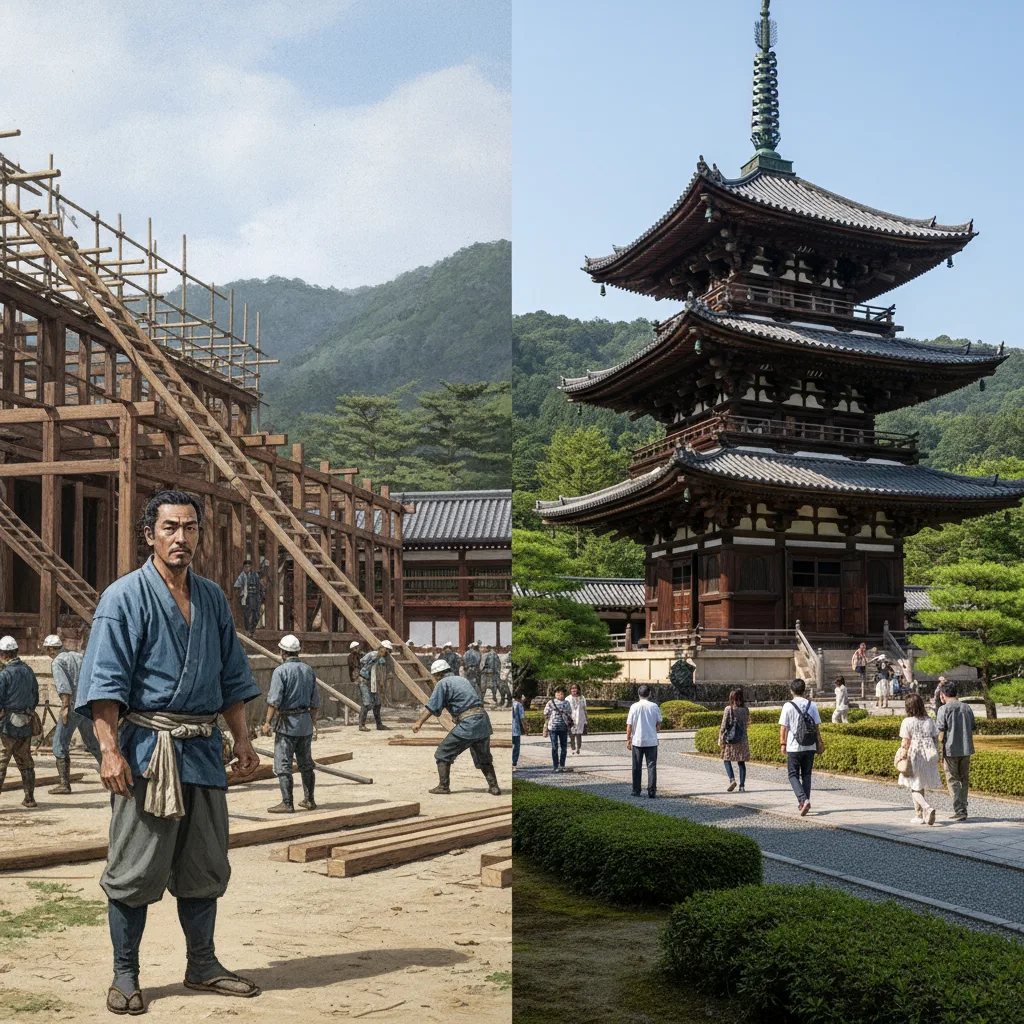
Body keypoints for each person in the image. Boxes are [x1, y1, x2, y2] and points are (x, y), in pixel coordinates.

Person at [76, 490, 262, 1014]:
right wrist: (109, 752)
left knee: (205, 866)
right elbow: (105, 684)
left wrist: (243, 739)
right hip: (145, 750)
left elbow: (231, 677)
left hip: (202, 749)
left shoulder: (212, 598)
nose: (181, 538)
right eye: (169, 528)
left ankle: (202, 964)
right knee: (135, 868)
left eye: (190, 528)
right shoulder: (122, 597)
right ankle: (125, 973)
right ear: (149, 535)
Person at [411, 659, 500, 795]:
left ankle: (443, 786)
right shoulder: (462, 680)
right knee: (484, 757)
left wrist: (419, 722)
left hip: (468, 724)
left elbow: (432, 707)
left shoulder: (443, 683)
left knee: (442, 753)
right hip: (483, 721)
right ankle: (494, 787)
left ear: (438, 675)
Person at [261, 634, 319, 814]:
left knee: (283, 764)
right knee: (306, 764)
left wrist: (267, 722)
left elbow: (274, 701)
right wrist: (313, 723)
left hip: (287, 725)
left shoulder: (281, 671)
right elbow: (315, 702)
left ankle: (287, 803)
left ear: (282, 652)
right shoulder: (308, 670)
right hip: (305, 724)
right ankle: (309, 800)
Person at [44, 632, 101, 795]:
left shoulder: (57, 662)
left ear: (50, 650)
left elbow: (64, 686)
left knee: (59, 743)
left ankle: (64, 784)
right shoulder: (77, 656)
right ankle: (106, 770)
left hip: (72, 706)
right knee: (91, 741)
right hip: (85, 705)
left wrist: (65, 707)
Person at [0, 635, 39, 808]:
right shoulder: (29, 671)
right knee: (26, 762)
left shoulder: (5, 674)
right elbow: (35, 696)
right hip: (26, 723)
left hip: (8, 725)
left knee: (1, 762)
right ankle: (29, 798)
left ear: (3, 654)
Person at [779, 678, 821, 816]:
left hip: (794, 746)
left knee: (792, 775)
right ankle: (804, 802)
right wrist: (819, 743)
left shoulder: (788, 706)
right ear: (804, 690)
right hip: (810, 745)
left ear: (792, 691)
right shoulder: (812, 705)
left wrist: (783, 744)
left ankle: (803, 799)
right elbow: (816, 727)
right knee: (807, 775)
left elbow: (784, 728)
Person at [898, 692, 940, 826]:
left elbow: (905, 742)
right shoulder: (929, 720)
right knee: (919, 785)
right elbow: (936, 737)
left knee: (913, 786)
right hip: (928, 755)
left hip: (914, 754)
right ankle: (918, 815)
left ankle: (927, 808)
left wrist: (902, 753)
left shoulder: (907, 721)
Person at [936, 681, 975, 821]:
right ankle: (963, 807)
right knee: (964, 779)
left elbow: (940, 733)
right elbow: (973, 727)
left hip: (950, 750)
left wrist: (939, 753)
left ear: (942, 695)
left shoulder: (943, 709)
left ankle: (959, 810)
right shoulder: (967, 707)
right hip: (966, 748)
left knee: (952, 780)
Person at [626, 685, 662, 798]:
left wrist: (628, 739)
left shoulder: (634, 707)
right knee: (651, 766)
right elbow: (659, 723)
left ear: (638, 694)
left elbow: (629, 725)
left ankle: (636, 790)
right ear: (649, 694)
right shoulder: (654, 706)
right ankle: (652, 791)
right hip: (651, 740)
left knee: (636, 766)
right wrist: (655, 728)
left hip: (638, 740)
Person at [718, 686, 750, 792]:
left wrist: (720, 739)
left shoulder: (729, 709)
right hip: (742, 739)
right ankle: (742, 786)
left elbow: (723, 726)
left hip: (731, 739)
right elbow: (746, 724)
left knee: (726, 759)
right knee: (741, 762)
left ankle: (732, 780)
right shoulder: (745, 710)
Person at [357, 641, 393, 731]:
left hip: (373, 682)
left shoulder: (382, 659)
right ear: (383, 649)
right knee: (367, 703)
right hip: (364, 680)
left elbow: (381, 672)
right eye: (387, 650)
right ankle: (361, 725)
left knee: (377, 703)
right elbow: (361, 661)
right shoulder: (372, 655)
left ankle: (379, 725)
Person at [232, 555, 265, 636]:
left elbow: (259, 584)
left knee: (256, 614)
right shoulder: (242, 575)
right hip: (245, 598)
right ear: (243, 567)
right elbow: (236, 585)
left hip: (254, 597)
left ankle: (252, 630)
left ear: (250, 567)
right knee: (247, 615)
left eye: (249, 567)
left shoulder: (255, 575)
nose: (247, 568)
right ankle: (248, 631)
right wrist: (240, 592)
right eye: (246, 567)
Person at [542, 686, 573, 772]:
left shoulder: (567, 703)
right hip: (553, 727)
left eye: (561, 693)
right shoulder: (550, 703)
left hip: (563, 727)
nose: (559, 695)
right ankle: (555, 766)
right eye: (557, 693)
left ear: (564, 694)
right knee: (554, 747)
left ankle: (562, 765)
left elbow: (569, 713)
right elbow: (545, 713)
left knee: (564, 747)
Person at [566, 683, 588, 755]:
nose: (574, 690)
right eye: (572, 688)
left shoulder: (582, 697)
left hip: (580, 718)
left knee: (579, 734)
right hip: (571, 718)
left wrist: (586, 719)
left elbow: (584, 708)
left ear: (578, 690)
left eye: (575, 688)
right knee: (571, 734)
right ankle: (573, 748)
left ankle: (578, 748)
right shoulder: (568, 698)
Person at [511, 693, 527, 770]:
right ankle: (513, 764)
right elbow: (522, 718)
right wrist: (526, 729)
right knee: (516, 747)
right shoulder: (518, 705)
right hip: (515, 730)